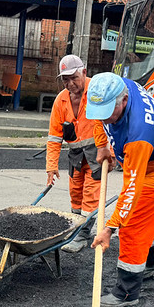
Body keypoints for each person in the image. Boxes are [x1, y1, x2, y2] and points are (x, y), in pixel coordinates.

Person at [86, 72, 154, 307]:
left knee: (133, 221)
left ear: (123, 101)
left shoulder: (137, 135)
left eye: (108, 113)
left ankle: (126, 292)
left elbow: (130, 190)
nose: (104, 118)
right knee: (146, 214)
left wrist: (110, 228)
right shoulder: (116, 87)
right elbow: (99, 116)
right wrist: (102, 146)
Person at [45, 55, 102, 253]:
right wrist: (51, 167)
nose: (70, 84)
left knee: (90, 196)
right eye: (65, 80)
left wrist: (111, 152)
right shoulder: (61, 101)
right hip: (76, 156)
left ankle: (83, 235)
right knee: (75, 194)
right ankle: (77, 229)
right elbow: (54, 137)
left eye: (74, 78)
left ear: (84, 73)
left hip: (97, 155)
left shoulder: (97, 91)